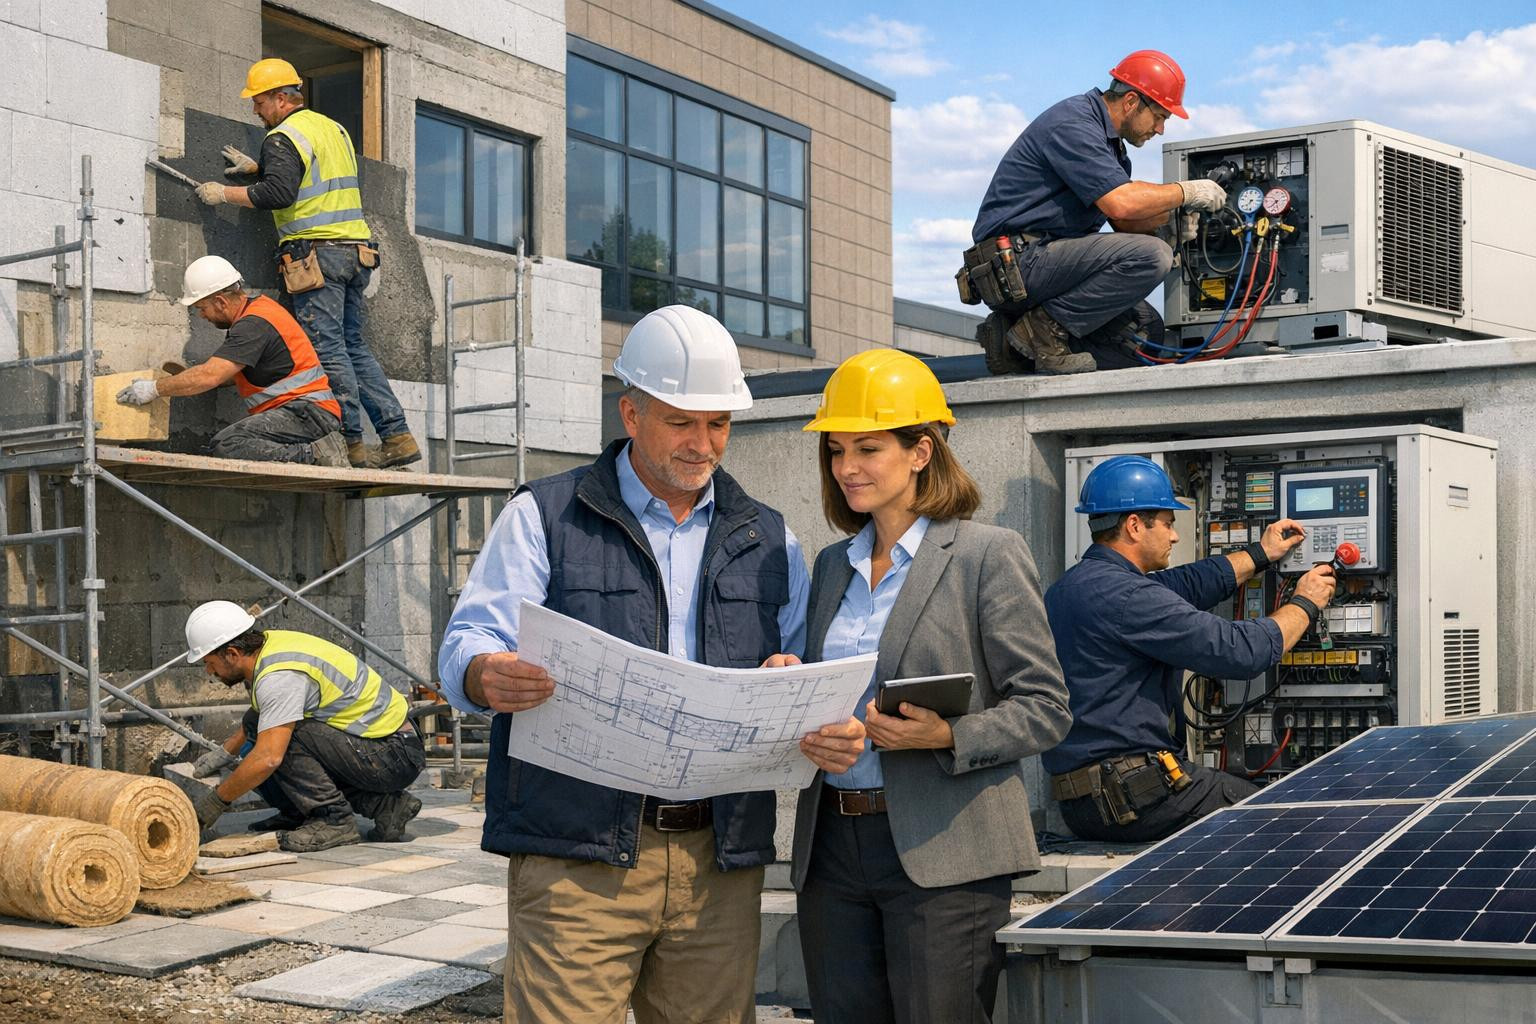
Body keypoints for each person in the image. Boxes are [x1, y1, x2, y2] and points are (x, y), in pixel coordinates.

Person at [436, 304, 866, 1024]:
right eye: (682, 421)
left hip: (718, 862)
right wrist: (487, 674)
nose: (705, 444)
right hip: (576, 858)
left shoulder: (769, 538)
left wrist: (802, 697)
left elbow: (801, 671)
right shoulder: (545, 515)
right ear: (630, 413)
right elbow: (467, 640)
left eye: (719, 423)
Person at [792, 349, 1071, 1024]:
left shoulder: (986, 554)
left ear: (922, 450)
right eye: (836, 451)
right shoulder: (832, 565)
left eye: (867, 448)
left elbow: (1046, 708)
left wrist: (948, 733)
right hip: (832, 848)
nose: (847, 468)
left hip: (946, 853)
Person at [1043, 455, 1339, 843]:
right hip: (1137, 798)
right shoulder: (1131, 597)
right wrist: (1304, 602)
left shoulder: (1070, 588)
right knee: (1284, 825)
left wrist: (1260, 553)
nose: (1175, 536)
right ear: (1134, 525)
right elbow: (1240, 651)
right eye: (1168, 524)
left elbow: (1189, 582)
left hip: (1087, 803)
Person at [194, 57, 420, 471]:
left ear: (281, 98)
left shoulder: (283, 135)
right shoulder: (330, 128)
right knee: (354, 347)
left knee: (327, 351)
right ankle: (397, 435)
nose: (255, 110)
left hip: (317, 257)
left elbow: (279, 195)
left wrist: (223, 194)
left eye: (259, 101)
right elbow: (312, 179)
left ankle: (349, 443)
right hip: (355, 252)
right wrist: (261, 169)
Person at [967, 50, 1228, 375]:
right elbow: (1122, 204)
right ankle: (1041, 331)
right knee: (1152, 257)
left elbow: (1123, 222)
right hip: (1018, 263)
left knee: (1145, 334)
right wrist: (1185, 191)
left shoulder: (1110, 146)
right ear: (1132, 101)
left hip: (1039, 263)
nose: (1160, 129)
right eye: (1160, 116)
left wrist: (1171, 223)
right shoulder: (1074, 124)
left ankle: (1011, 344)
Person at [182, 600, 426, 853]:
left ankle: (333, 820)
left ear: (232, 654)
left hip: (393, 754)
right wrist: (226, 752)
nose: (209, 671)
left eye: (209, 662)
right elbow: (256, 718)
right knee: (260, 730)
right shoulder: (269, 646)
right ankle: (377, 808)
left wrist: (215, 803)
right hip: (383, 746)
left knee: (278, 744)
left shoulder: (279, 677)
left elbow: (268, 758)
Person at [115, 255, 349, 467]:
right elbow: (222, 375)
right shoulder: (257, 314)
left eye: (202, 307)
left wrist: (154, 389)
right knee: (226, 445)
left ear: (221, 302)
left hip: (308, 415)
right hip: (304, 413)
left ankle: (317, 454)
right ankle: (314, 452)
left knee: (227, 445)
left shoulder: (253, 325)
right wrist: (187, 379)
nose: (201, 315)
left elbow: (210, 376)